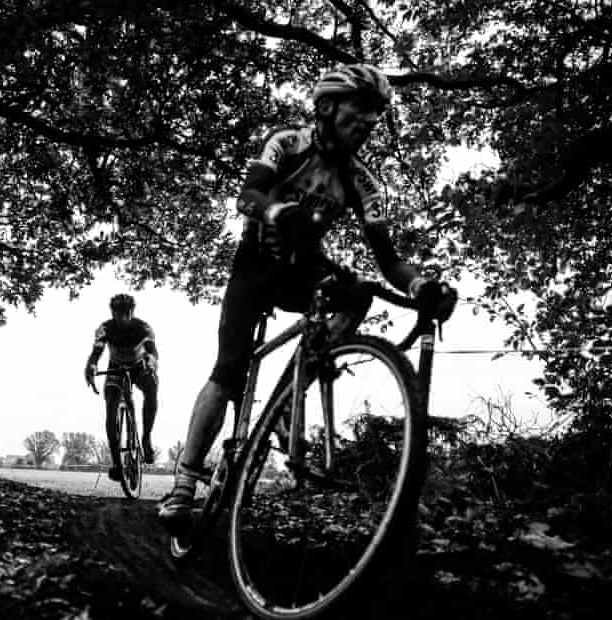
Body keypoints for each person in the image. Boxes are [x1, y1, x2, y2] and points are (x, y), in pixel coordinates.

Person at [157, 64, 457, 532]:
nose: (370, 123)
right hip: (256, 264)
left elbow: (389, 261)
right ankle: (185, 481)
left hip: (307, 269)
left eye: (377, 116)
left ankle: (290, 390)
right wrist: (278, 211)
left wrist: (422, 287)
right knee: (228, 370)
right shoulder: (288, 143)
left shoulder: (364, 182)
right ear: (326, 107)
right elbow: (247, 194)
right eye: (361, 111)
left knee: (358, 294)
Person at [84, 293, 160, 481]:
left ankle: (146, 437)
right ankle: (117, 464)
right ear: (112, 312)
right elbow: (96, 351)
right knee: (110, 409)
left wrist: (151, 363)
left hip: (139, 367)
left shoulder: (143, 327)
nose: (122, 317)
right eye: (118, 313)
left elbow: (153, 352)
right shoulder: (105, 328)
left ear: (132, 311)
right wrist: (91, 366)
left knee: (151, 388)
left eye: (126, 313)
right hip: (116, 367)